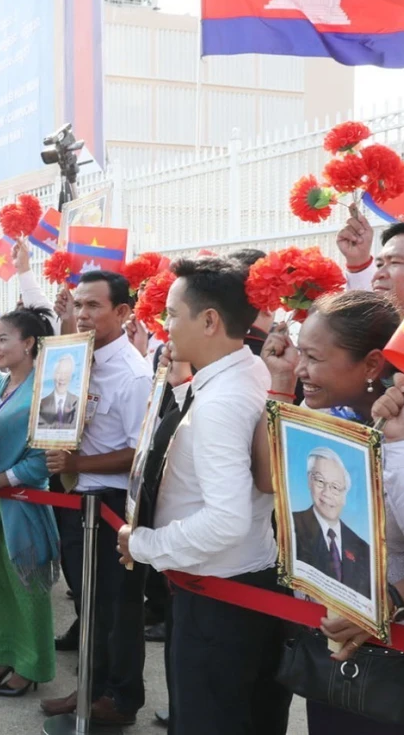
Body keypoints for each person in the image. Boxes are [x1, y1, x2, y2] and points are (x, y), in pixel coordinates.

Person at [117, 257, 293, 735]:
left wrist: (143, 545)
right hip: (237, 589)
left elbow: (225, 521)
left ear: (210, 320)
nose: (165, 325)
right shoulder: (244, 374)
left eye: (173, 314)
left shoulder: (222, 400)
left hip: (220, 599)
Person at [259, 290, 404, 734]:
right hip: (330, 643)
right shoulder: (322, 414)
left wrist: (384, 605)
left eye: (314, 358)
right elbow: (270, 480)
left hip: (400, 657)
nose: (302, 369)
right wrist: (280, 386)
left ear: (372, 365)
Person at [41, 270, 153, 726]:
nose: (83, 315)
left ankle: (121, 697)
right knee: (87, 605)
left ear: (123, 312)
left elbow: (138, 454)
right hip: (74, 504)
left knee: (117, 609)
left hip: (108, 505)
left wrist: (77, 466)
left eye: (94, 306)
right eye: (78, 305)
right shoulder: (72, 359)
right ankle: (89, 685)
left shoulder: (133, 373)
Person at [0, 306, 60, 697]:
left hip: (24, 502)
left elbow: (46, 456)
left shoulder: (51, 388)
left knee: (27, 590)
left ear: (29, 343)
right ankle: (0, 655)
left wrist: (3, 478)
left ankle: (31, 665)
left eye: (4, 338)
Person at [293, 447, 372, 598]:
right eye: (320, 481)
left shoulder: (363, 549)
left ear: (345, 495)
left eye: (335, 487)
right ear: (310, 481)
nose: (327, 493)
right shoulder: (290, 525)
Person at [337, 209, 404, 315]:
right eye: (379, 265)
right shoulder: (378, 328)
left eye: (395, 262)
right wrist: (358, 260)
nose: (377, 275)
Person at [37, 355, 79, 429]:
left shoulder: (77, 402)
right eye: (59, 372)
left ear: (71, 376)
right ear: (53, 375)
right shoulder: (41, 403)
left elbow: (76, 427)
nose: (62, 378)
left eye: (66, 373)